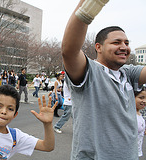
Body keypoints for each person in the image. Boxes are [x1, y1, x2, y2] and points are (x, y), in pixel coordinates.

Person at [61, 0, 146, 159]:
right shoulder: (90, 71)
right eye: (116, 42)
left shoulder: (127, 73)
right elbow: (69, 50)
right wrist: (88, 6)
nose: (124, 47)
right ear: (98, 47)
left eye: (126, 43)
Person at [134, 87, 146, 157]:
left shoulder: (139, 114)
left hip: (137, 152)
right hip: (128, 153)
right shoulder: (130, 114)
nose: (144, 101)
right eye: (141, 97)